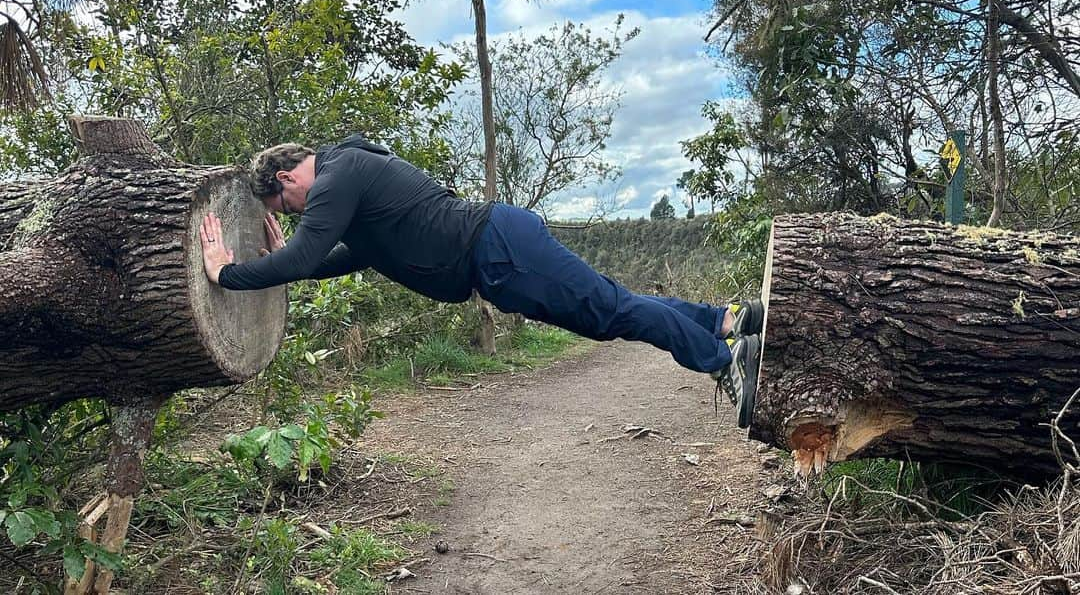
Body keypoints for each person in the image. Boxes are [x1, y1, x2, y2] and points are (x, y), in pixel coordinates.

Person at [200, 135, 763, 425]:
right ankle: (725, 321)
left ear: (282, 181)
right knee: (614, 303)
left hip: (498, 252)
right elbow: (340, 257)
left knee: (612, 312)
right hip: (499, 250)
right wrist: (295, 253)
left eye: (288, 209)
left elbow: (298, 260)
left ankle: (721, 358)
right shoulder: (349, 175)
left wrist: (227, 272)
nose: (299, 216)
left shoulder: (334, 179)